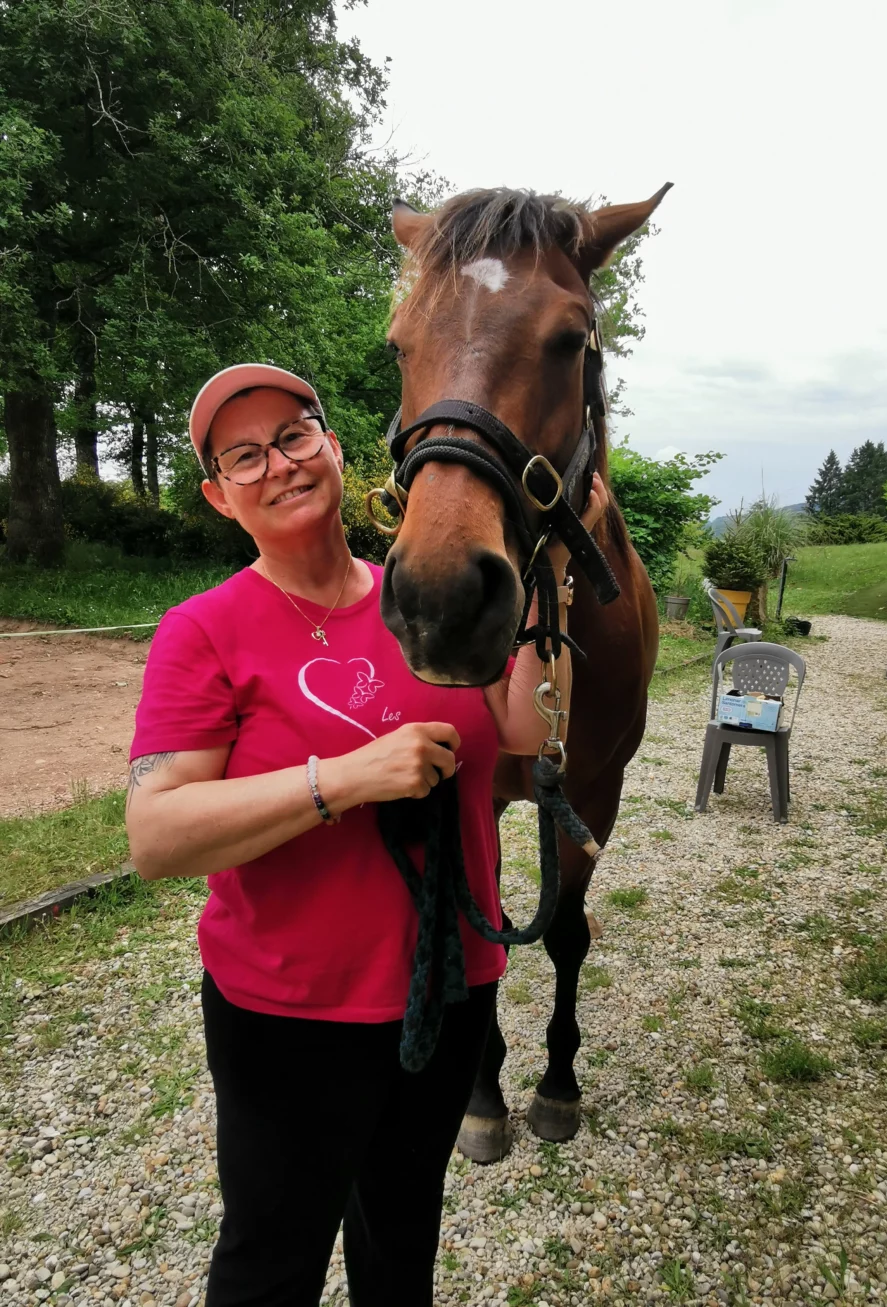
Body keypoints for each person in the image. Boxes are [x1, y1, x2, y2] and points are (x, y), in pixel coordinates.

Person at [125, 363, 606, 1307]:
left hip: (446, 995)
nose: (281, 465)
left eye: (296, 436)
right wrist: (346, 779)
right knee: (272, 1254)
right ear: (220, 496)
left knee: (400, 1243)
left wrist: (549, 571)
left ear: (335, 448)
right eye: (245, 455)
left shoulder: (424, 599)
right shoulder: (204, 632)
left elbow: (527, 730)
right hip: (287, 1016)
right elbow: (158, 834)